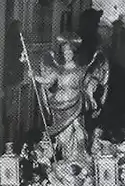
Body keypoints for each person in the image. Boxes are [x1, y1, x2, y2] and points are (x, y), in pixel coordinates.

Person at [35, 32, 110, 166]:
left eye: (69, 53)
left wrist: (93, 85)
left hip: (76, 102)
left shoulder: (81, 70)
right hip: (59, 106)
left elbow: (91, 81)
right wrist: (34, 75)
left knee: (77, 127)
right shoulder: (58, 70)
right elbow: (47, 81)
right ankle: (66, 158)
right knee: (64, 133)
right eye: (65, 53)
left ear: (74, 54)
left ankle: (80, 155)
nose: (67, 55)